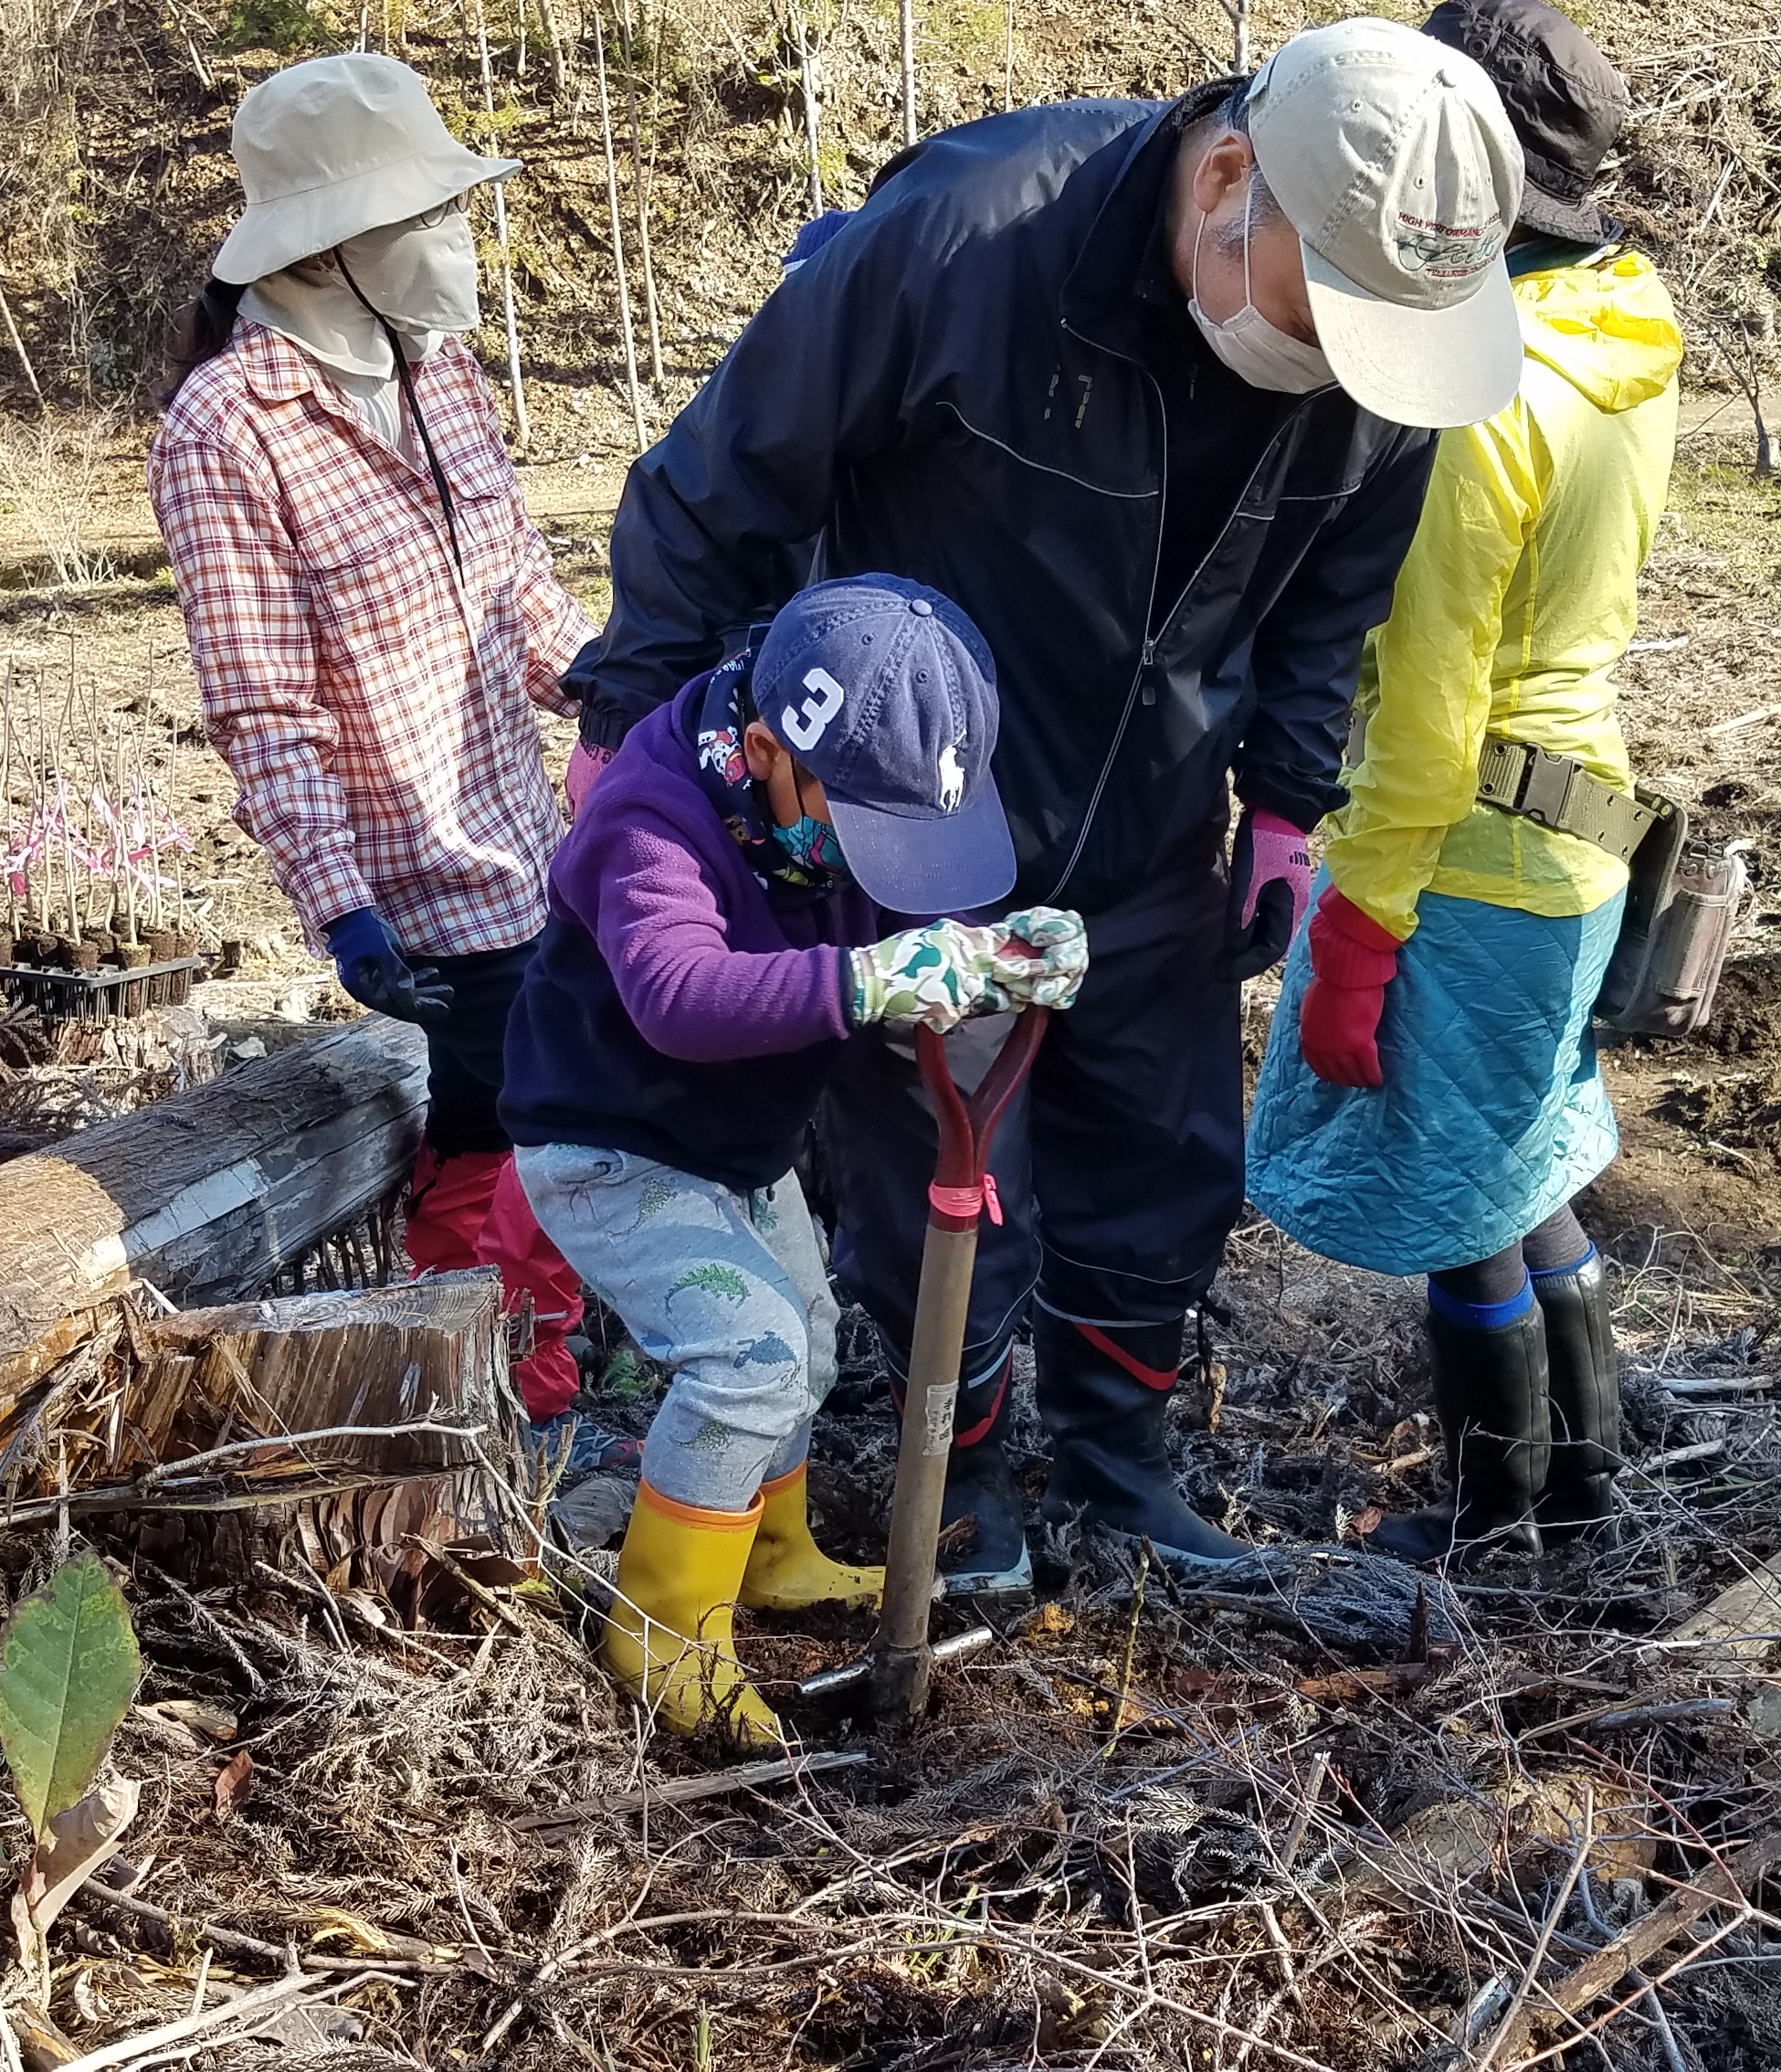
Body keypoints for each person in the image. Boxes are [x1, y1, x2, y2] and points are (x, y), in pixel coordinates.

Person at [560, 21, 1529, 1588]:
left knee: (1160, 1156)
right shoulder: (971, 239)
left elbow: (1336, 588)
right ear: (1228, 179)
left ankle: (1120, 1466)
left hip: (1157, 810)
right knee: (941, 1175)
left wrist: (1286, 796)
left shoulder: (1389, 350)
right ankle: (971, 1469)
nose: (1353, 365)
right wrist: (630, 727)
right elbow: (723, 475)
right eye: (1324, 311)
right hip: (913, 818)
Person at [500, 576, 1087, 1745]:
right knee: (750, 1355)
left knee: (806, 1343)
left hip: (732, 1148)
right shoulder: (652, 817)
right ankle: (661, 1628)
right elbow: (676, 996)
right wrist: (867, 982)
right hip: (607, 1146)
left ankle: (774, 1551)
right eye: (868, 831)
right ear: (765, 749)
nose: (879, 867)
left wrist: (991, 951)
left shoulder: (816, 812)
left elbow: (901, 926)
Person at [1247, 0, 1679, 1567]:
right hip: (1583, 834)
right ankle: (1591, 1495)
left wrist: (1356, 934)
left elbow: (1425, 717)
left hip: (1471, 857)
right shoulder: (1624, 332)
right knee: (1522, 1168)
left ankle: (1498, 1527)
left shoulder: (1478, 396)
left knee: (1462, 1203)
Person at [147, 54, 593, 1446]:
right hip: (418, 872)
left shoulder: (436, 361)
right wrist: (336, 901)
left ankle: (554, 1385)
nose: (450, 243)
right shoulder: (228, 430)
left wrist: (610, 686)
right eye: (426, 215)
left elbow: (515, 574)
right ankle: (476, 1423)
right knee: (486, 1152)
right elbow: (260, 700)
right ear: (333, 243)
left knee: (566, 1134)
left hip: (533, 831)